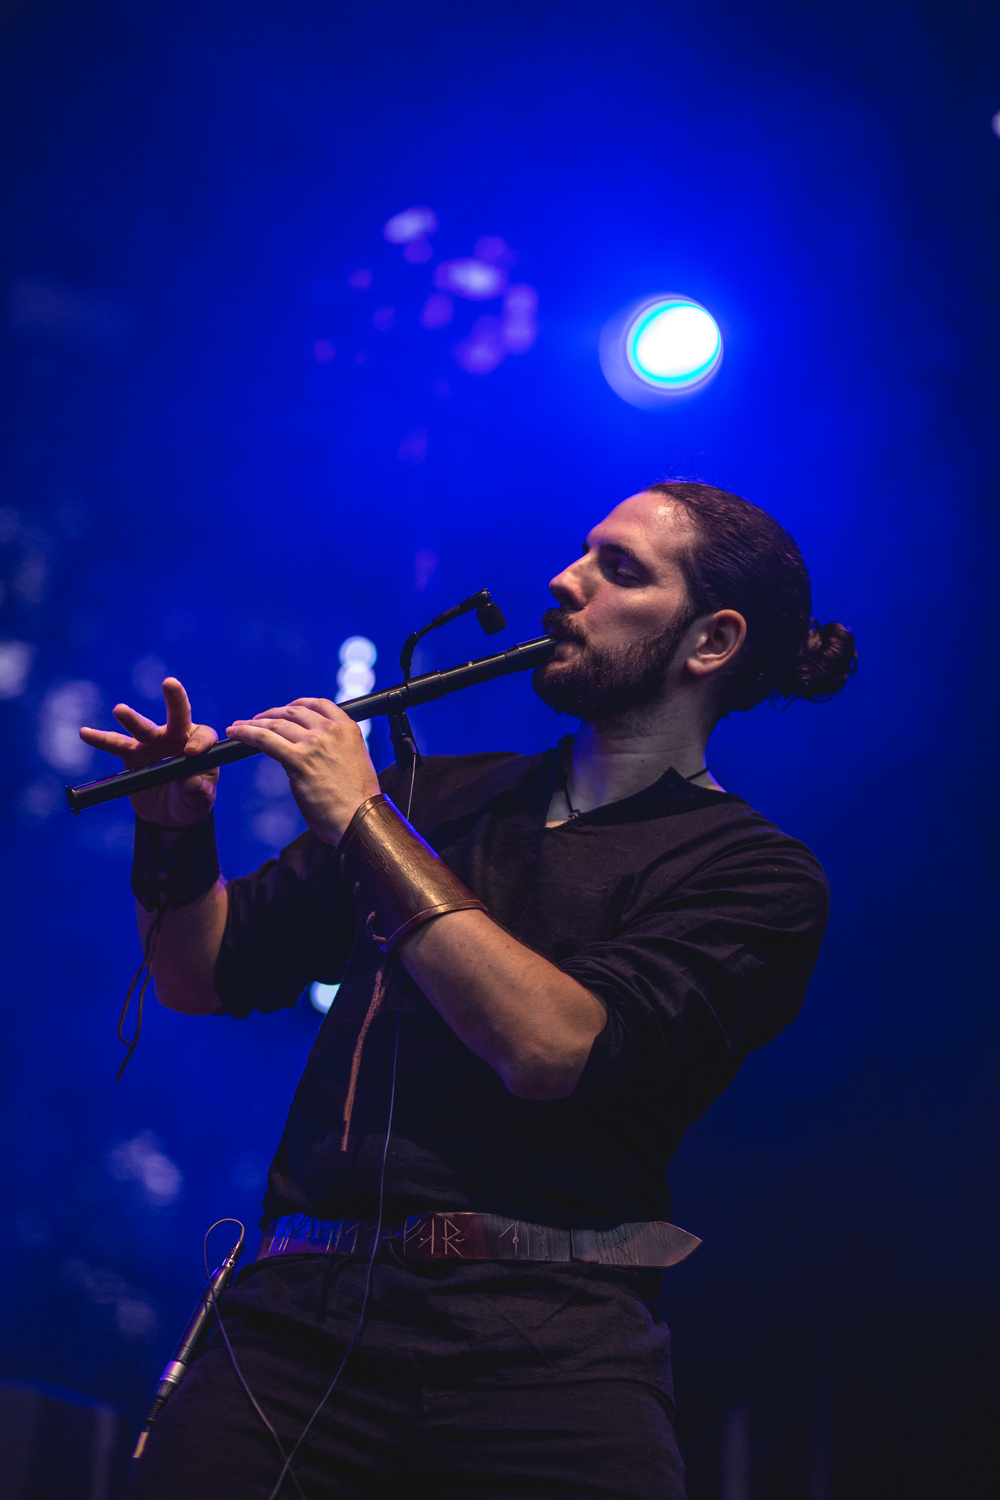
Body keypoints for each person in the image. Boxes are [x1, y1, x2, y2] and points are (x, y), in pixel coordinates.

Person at [82, 481, 855, 1500]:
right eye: (582, 552)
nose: (565, 581)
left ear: (710, 642)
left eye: (619, 570)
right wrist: (175, 828)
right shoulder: (433, 798)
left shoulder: (753, 875)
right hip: (299, 1322)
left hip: (554, 1343)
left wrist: (363, 823)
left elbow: (550, 1048)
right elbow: (198, 972)